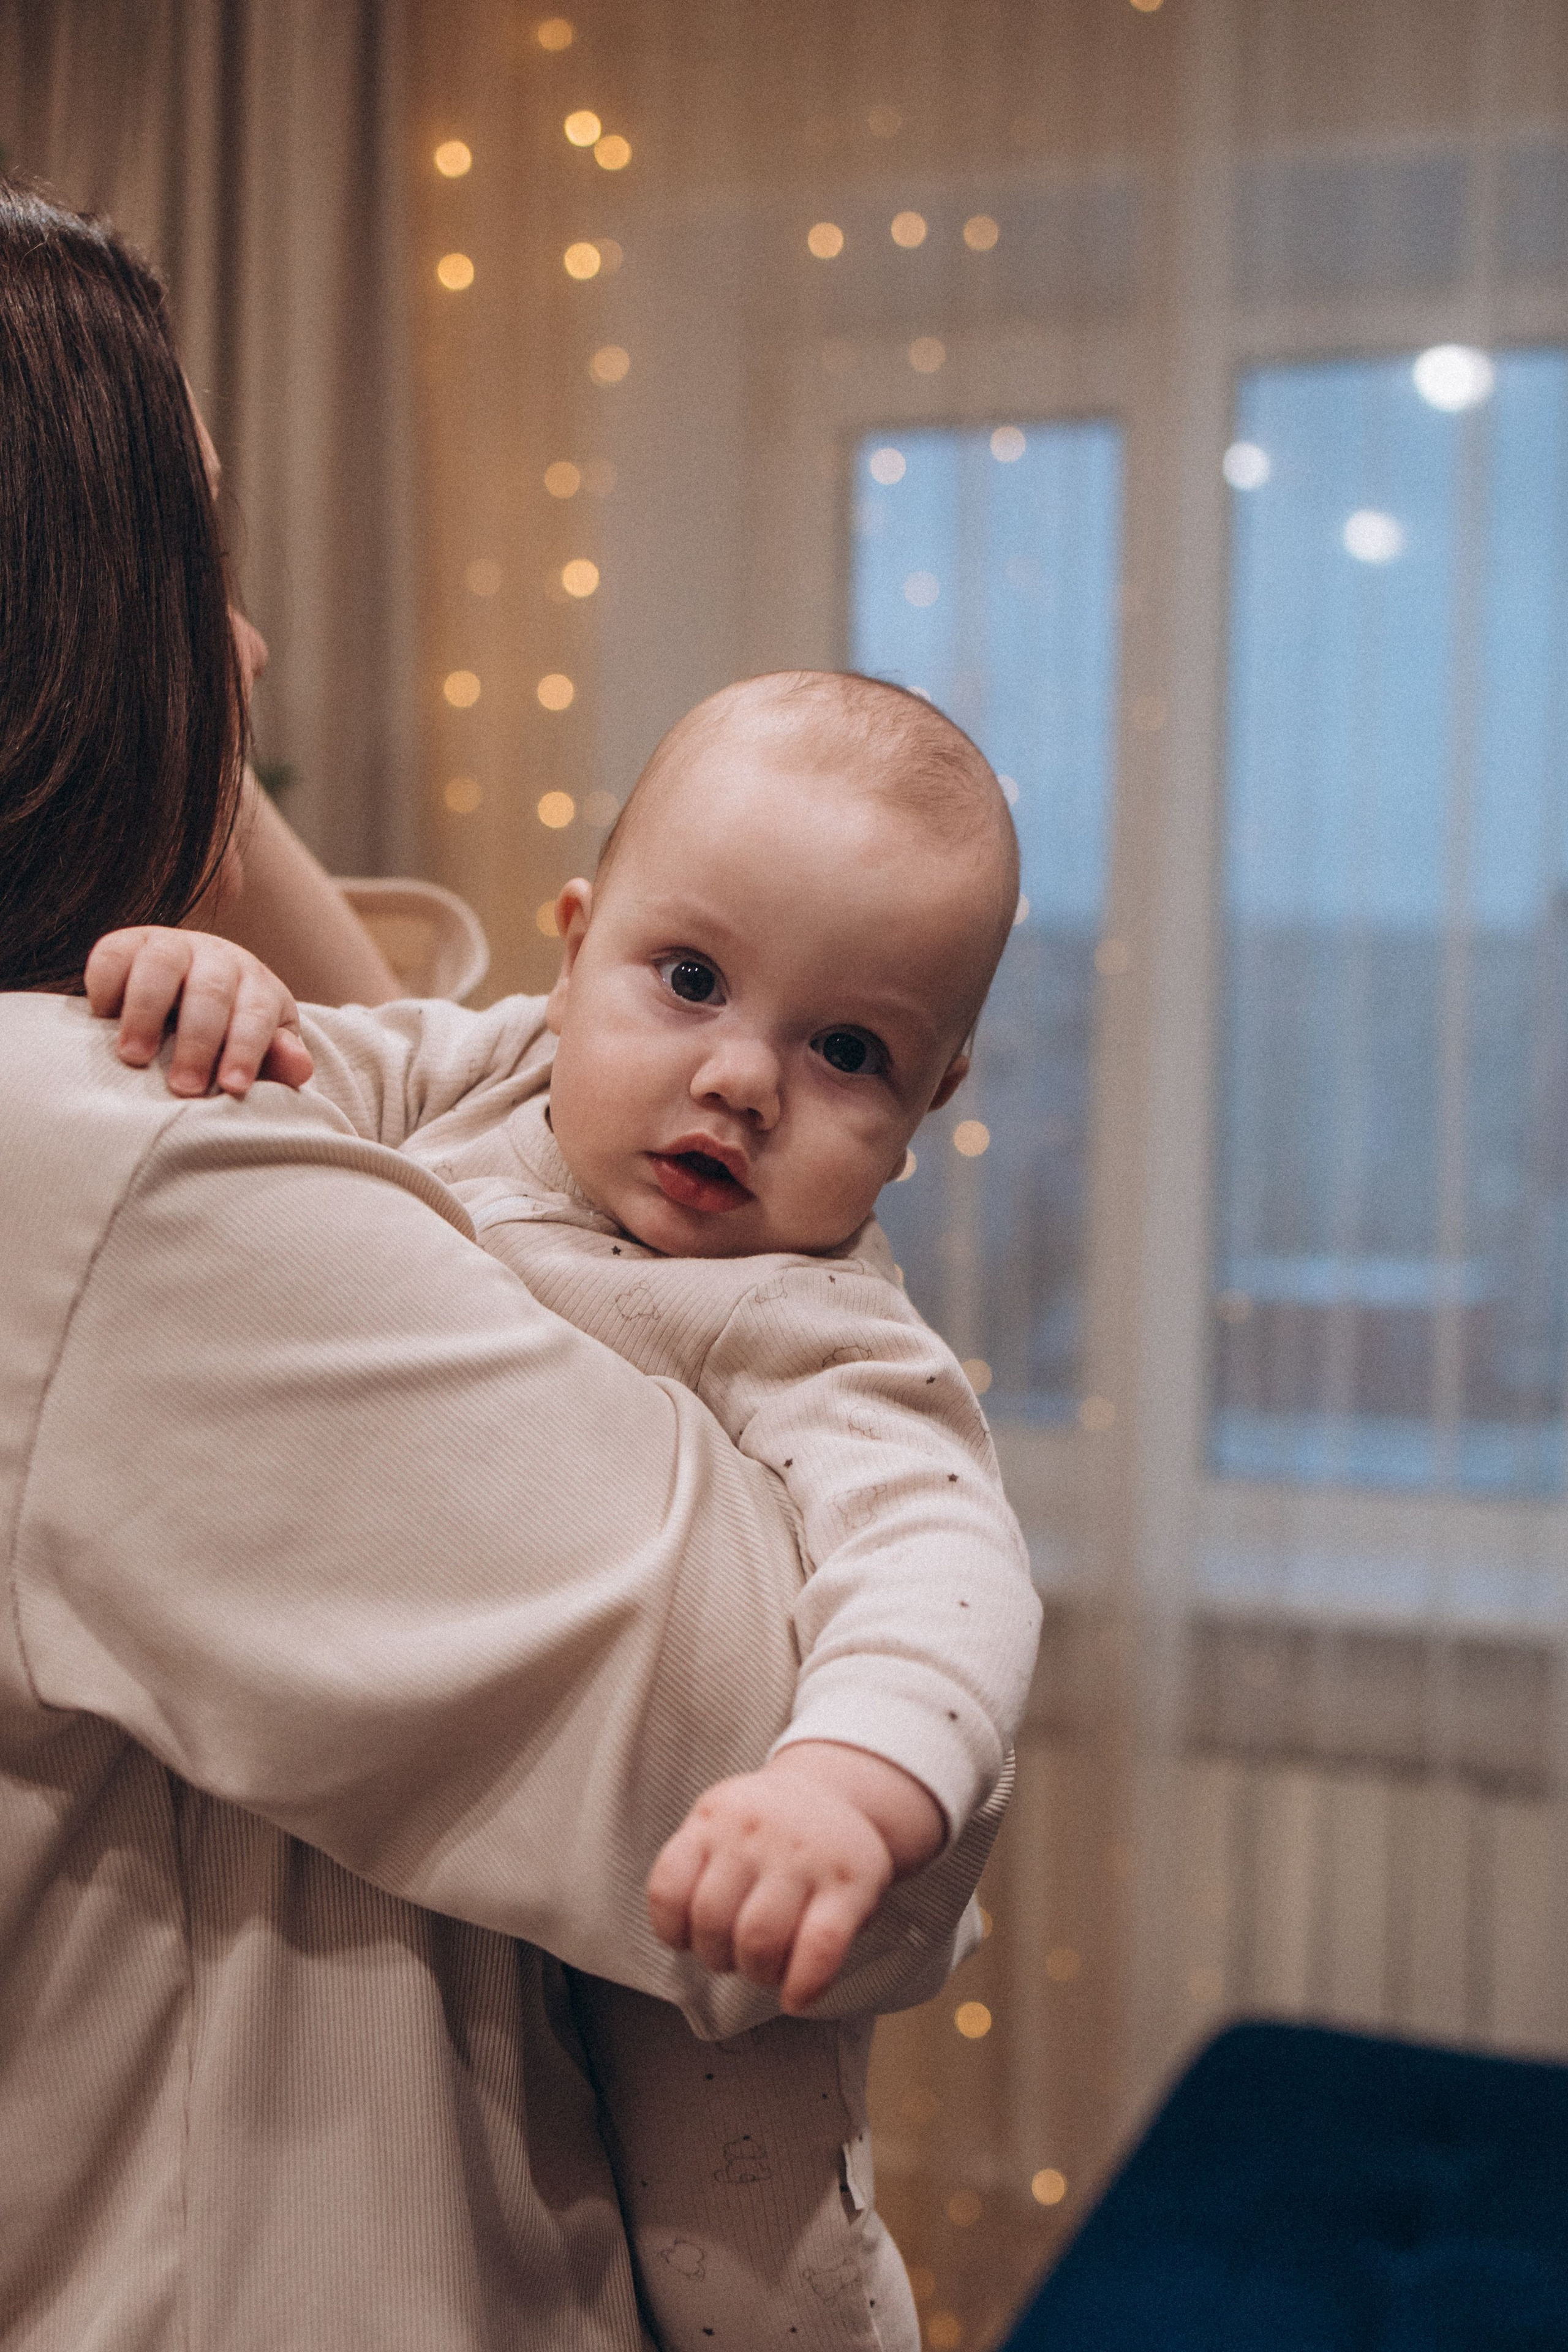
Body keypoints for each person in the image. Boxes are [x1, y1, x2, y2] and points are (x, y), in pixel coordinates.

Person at [0, 179, 995, 2350]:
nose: (251, 661)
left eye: (839, 1050)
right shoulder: (99, 1177)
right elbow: (823, 1827)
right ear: (64, 625)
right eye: (202, 579)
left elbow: (462, 1100)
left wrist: (193, 834)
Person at [91, 670, 1044, 2352]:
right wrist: (209, 980)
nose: (743, 1080)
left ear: (927, 1109)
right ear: (576, 942)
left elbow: (945, 1569)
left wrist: (844, 1789)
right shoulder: (480, 1075)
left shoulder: (821, 1325)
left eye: (847, 1052)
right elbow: (281, 1086)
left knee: (760, 2278)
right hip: (446, 1915)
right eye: (689, 981)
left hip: (718, 1980)